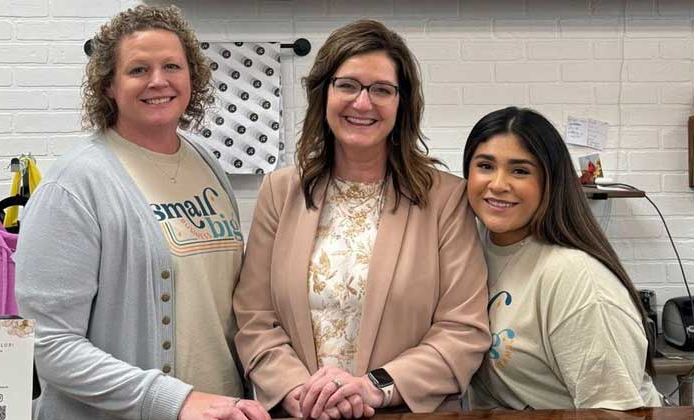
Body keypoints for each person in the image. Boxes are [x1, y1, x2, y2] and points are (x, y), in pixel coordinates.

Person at [14, 5, 267, 420]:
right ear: (109, 86)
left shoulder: (207, 164)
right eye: (138, 70)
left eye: (172, 66)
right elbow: (50, 345)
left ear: (192, 77)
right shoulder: (74, 185)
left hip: (222, 410)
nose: (158, 81)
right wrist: (174, 401)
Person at [233, 19, 490, 420]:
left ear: (402, 104)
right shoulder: (280, 193)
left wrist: (374, 387)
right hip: (304, 413)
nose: (362, 103)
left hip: (403, 412)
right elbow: (254, 318)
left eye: (381, 90)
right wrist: (297, 391)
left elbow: (463, 328)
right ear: (324, 93)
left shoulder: (445, 199)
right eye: (348, 85)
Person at [463, 107, 662, 410]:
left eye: (520, 171)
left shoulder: (575, 277)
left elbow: (614, 411)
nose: (499, 184)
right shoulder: (471, 244)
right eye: (485, 166)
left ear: (550, 181)